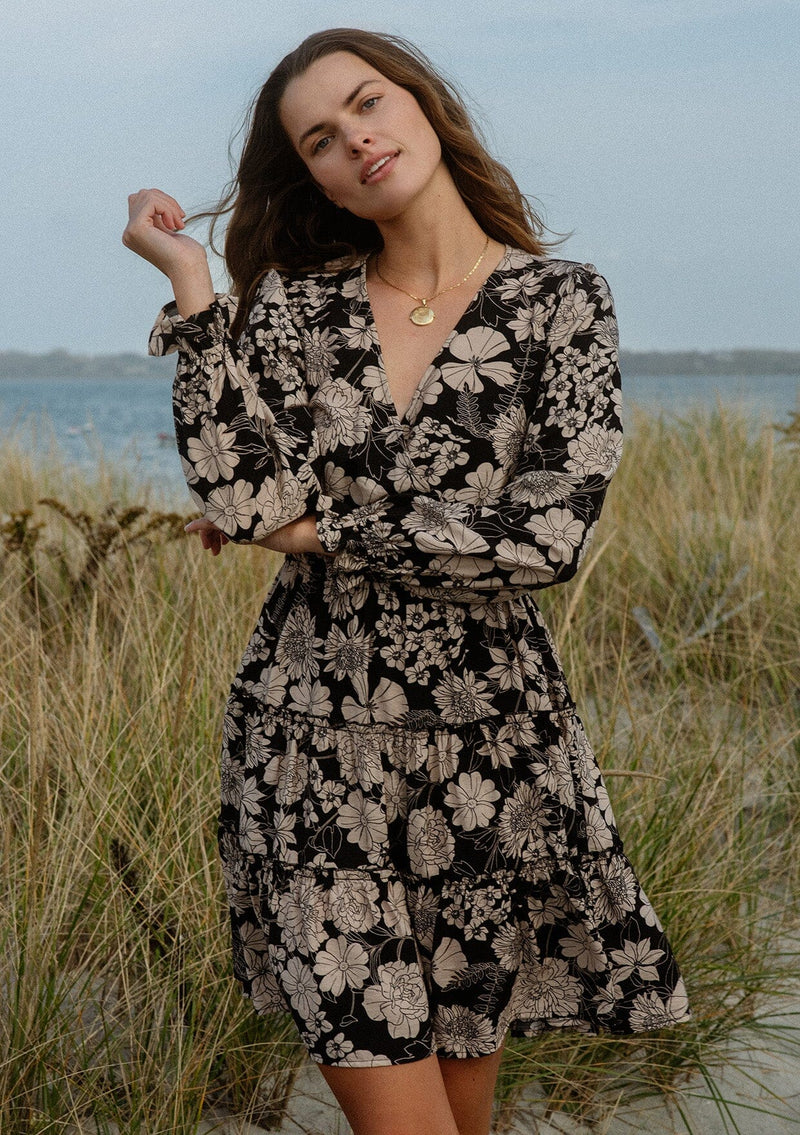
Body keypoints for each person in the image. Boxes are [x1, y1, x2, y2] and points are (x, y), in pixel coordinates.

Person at [123, 27, 690, 1135]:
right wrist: (194, 284)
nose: (356, 142)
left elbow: (546, 539)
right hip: (311, 747)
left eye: (367, 104)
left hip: (491, 755)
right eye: (321, 140)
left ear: (422, 103)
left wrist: (323, 524)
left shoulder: (562, 304)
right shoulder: (293, 305)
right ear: (314, 176)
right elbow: (243, 501)